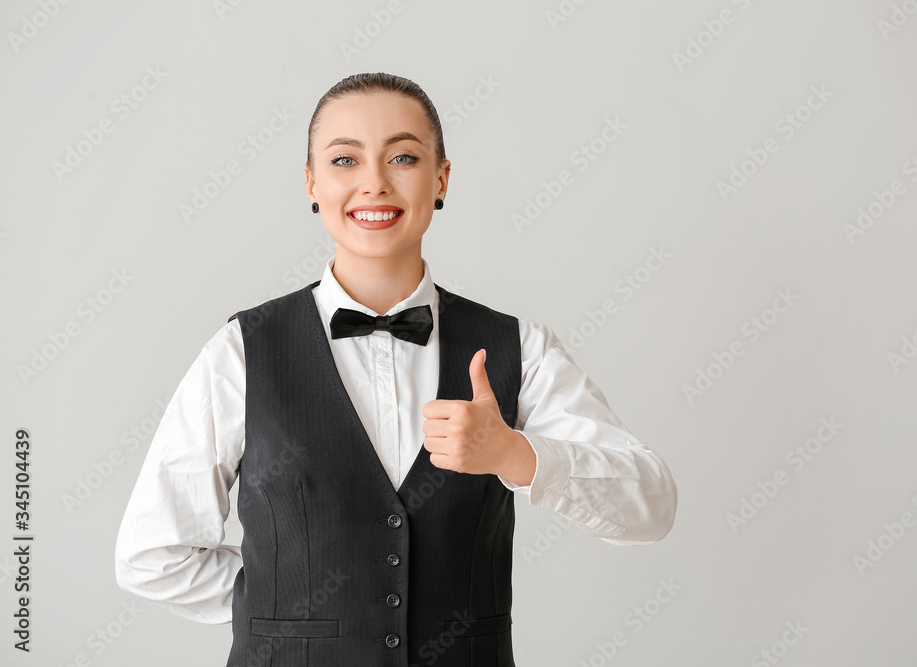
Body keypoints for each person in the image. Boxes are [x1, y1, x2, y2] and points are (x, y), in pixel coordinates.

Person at [115, 72, 678, 666]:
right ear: (312, 181)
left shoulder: (520, 347)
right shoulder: (242, 351)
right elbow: (152, 553)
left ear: (441, 178)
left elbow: (653, 506)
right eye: (344, 160)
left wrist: (517, 454)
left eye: (403, 157)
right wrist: (287, 604)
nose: (374, 184)